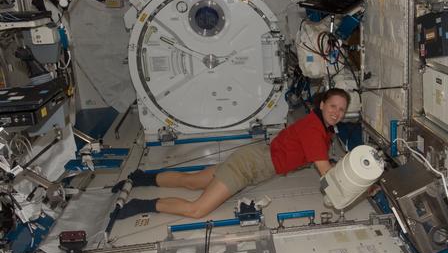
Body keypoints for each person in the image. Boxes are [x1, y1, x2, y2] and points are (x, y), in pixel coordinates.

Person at [114, 88, 350, 219]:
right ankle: (139, 206)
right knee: (197, 210)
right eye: (333, 106)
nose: (336, 112)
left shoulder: (321, 127)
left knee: (192, 181)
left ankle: (140, 178)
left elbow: (320, 158)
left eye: (342, 109)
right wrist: (353, 187)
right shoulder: (314, 129)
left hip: (252, 159)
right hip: (248, 167)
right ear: (322, 105)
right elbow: (326, 173)